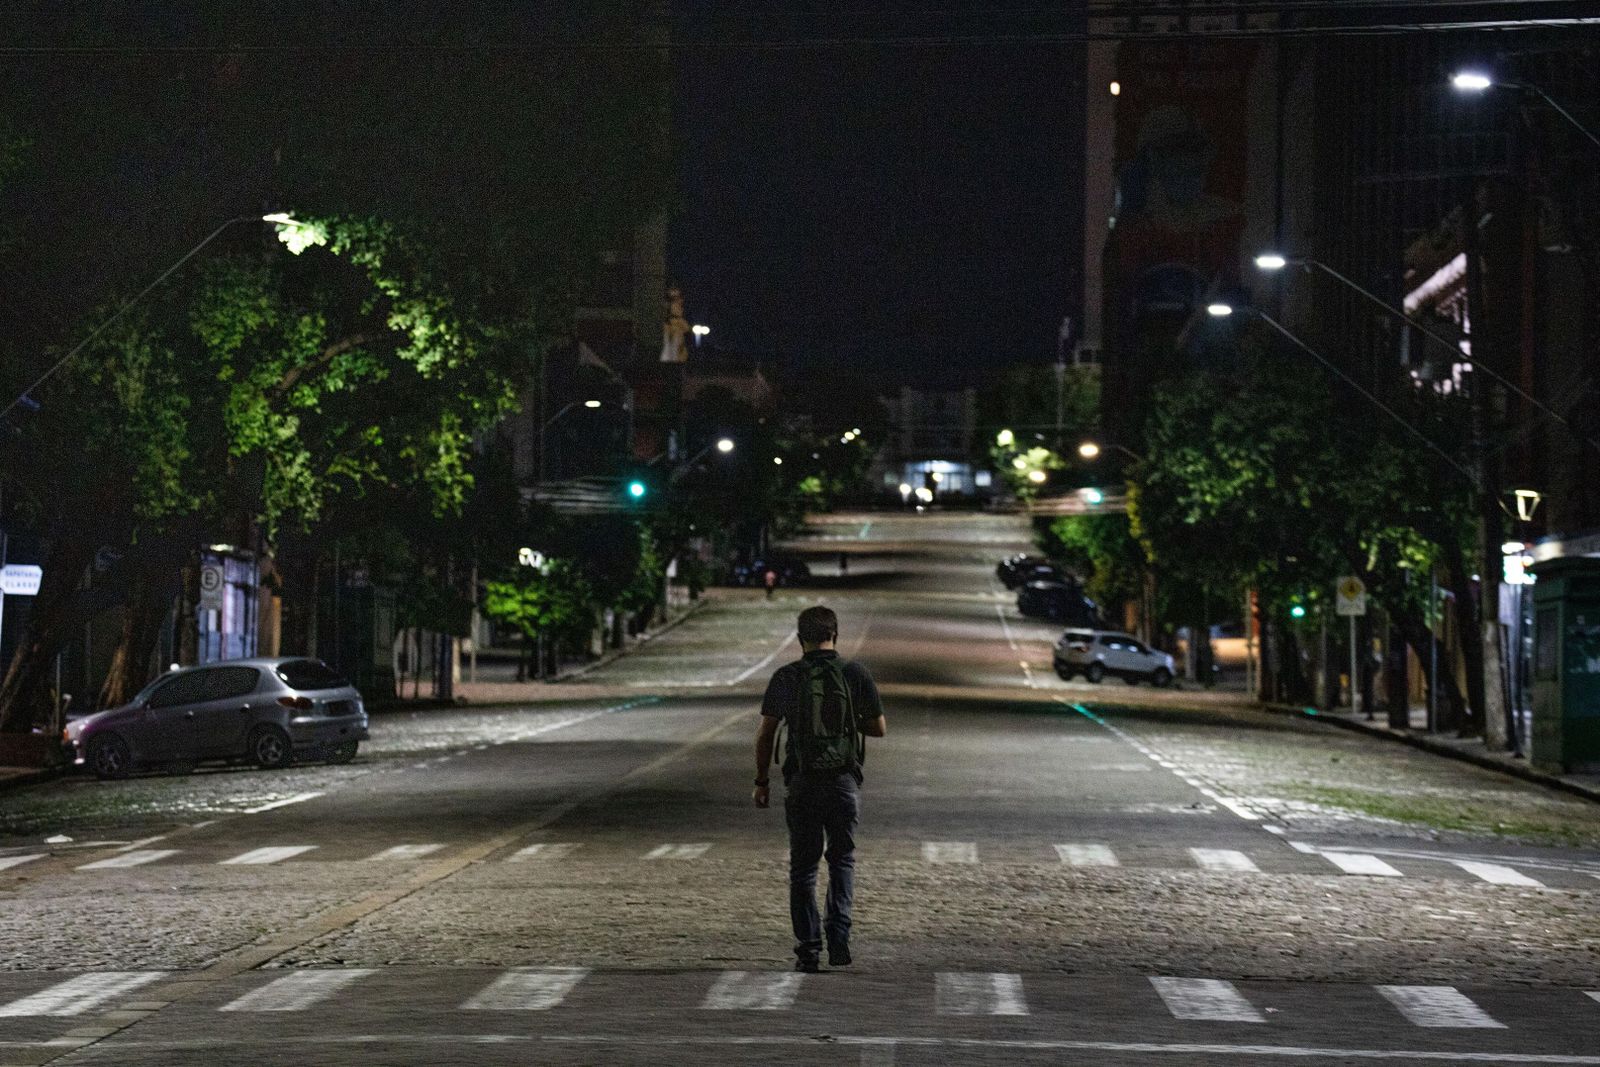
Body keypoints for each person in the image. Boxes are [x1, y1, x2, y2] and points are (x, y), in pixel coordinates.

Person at [753, 606, 887, 972]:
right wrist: (846, 722)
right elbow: (879, 728)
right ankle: (839, 934)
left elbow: (766, 734)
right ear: (835, 635)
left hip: (802, 782)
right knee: (842, 859)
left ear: (800, 639)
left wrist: (762, 781)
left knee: (803, 868)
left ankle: (808, 950)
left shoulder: (787, 676)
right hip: (843, 781)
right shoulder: (855, 673)